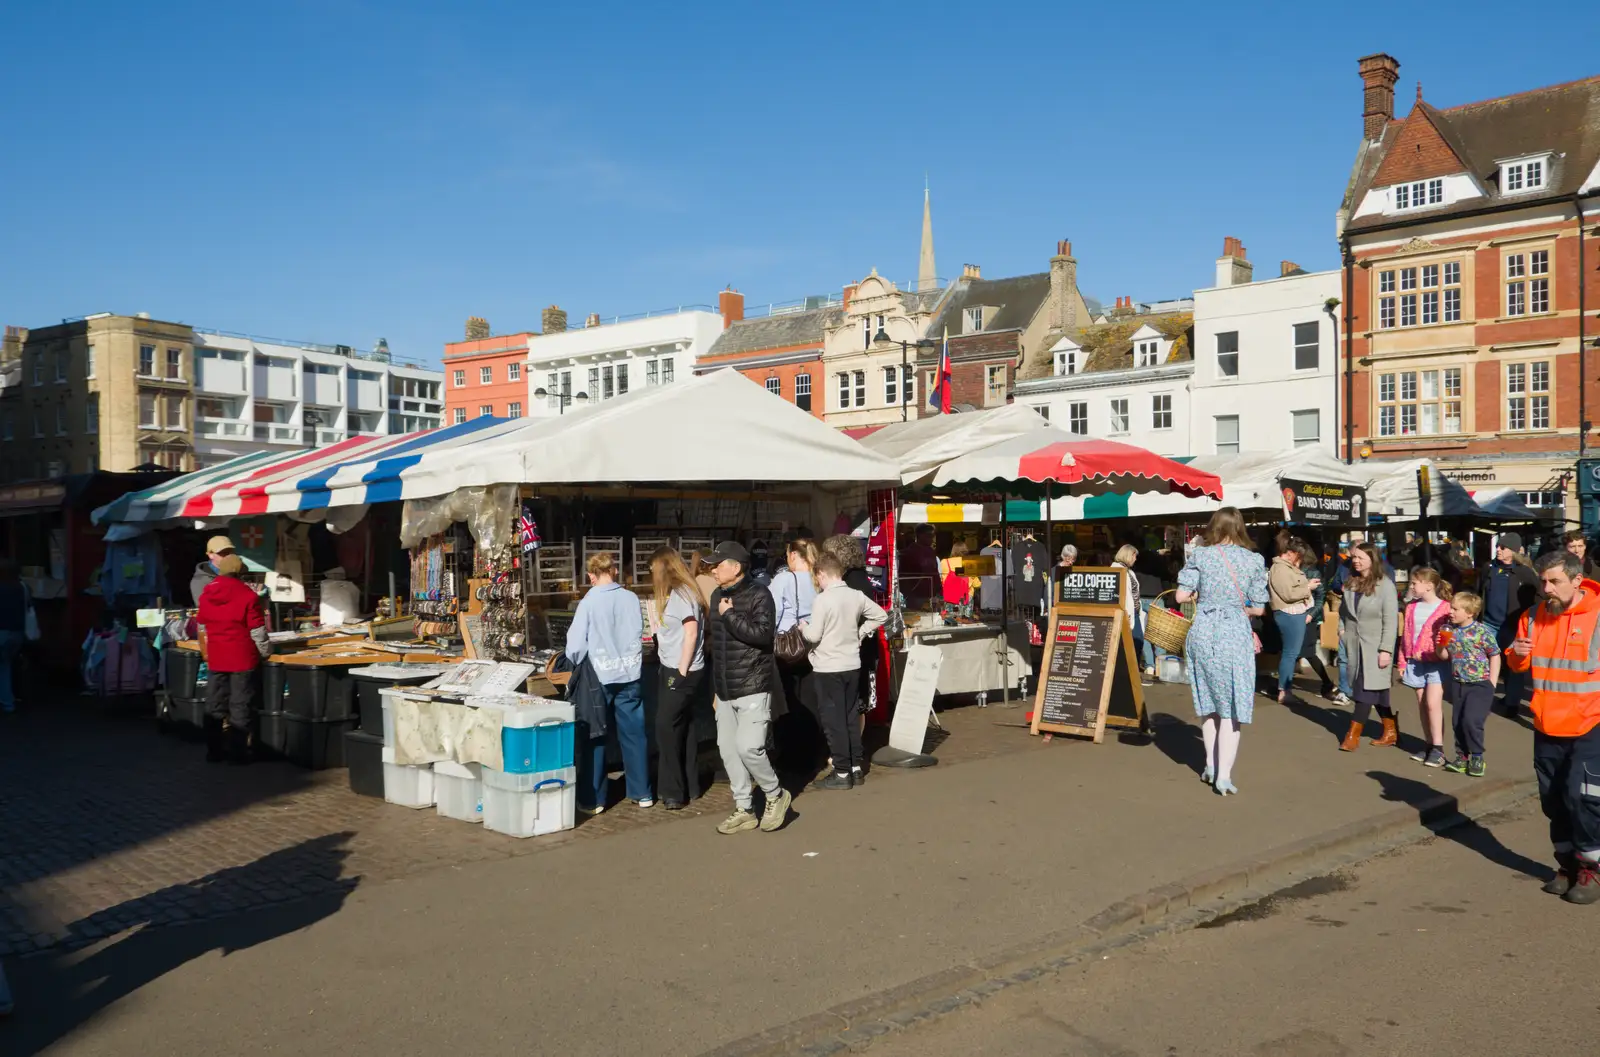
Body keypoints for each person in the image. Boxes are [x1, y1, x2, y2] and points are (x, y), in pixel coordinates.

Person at [1506, 550, 1600, 904]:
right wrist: (1516, 652)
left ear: (1577, 580)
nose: (1546, 588)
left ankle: (1591, 868)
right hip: (1546, 724)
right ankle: (1566, 865)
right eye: (1543, 580)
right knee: (1554, 800)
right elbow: (1517, 665)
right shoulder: (1532, 617)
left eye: (1555, 581)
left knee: (1583, 798)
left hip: (1590, 724)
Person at [1175, 508, 1268, 796]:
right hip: (1234, 635)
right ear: (1240, 528)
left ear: (1214, 527)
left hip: (1203, 632)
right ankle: (1224, 777)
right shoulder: (1253, 560)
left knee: (1209, 704)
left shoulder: (1201, 555)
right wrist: (1239, 607)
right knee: (1232, 707)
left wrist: (1199, 595)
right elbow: (1259, 608)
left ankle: (1210, 766)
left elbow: (1180, 596)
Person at [705, 541, 792, 835]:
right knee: (728, 750)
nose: (713, 570)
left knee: (749, 748)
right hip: (725, 690)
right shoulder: (717, 595)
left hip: (754, 683)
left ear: (736, 567)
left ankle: (775, 794)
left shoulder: (760, 594)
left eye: (718, 565)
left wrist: (730, 616)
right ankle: (744, 808)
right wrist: (716, 689)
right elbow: (718, 647)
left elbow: (763, 635)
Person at [565, 552, 649, 813]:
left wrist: (575, 660)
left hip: (599, 675)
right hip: (630, 673)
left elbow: (575, 647)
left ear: (591, 575)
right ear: (613, 571)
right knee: (634, 735)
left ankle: (594, 799)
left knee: (596, 735)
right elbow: (639, 631)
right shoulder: (631, 598)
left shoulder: (588, 602)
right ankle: (642, 792)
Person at [800, 553, 888, 790]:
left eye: (817, 578)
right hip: (851, 664)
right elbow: (881, 615)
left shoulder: (823, 599)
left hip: (828, 667)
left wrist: (803, 628)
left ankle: (841, 772)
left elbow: (813, 636)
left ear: (821, 574)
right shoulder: (856, 595)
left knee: (833, 720)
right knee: (850, 716)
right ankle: (856, 767)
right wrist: (861, 632)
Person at [196, 554, 270, 763]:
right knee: (240, 706)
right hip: (242, 658)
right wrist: (265, 651)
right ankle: (238, 754)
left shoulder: (207, 593)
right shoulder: (247, 595)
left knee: (214, 705)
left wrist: (206, 651)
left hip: (217, 657)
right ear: (239, 573)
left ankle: (214, 751)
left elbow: (202, 626)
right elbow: (257, 630)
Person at [649, 547, 706, 811]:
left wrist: (682, 669)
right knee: (684, 725)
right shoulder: (682, 592)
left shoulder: (682, 594)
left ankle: (673, 791)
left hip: (681, 669)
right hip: (674, 666)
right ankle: (690, 785)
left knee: (666, 726)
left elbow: (691, 632)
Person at [1337, 542, 1400, 753]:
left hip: (1376, 647)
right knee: (1377, 691)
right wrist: (1342, 631)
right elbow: (1344, 612)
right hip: (1355, 644)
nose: (1355, 561)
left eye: (1360, 558)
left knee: (1364, 690)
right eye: (1354, 557)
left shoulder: (1386, 586)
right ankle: (1390, 731)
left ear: (1372, 560)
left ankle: (1352, 735)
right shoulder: (1351, 583)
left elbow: (1391, 621)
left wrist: (1386, 650)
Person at [771, 539, 823, 775]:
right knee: (811, 701)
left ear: (793, 555)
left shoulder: (784, 579)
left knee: (787, 702)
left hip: (787, 649)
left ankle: (791, 757)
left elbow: (772, 614)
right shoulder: (818, 578)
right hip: (813, 646)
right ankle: (813, 754)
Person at [1438, 590, 1498, 777]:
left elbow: (1495, 654)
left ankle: (1477, 757)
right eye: (1451, 608)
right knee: (1458, 722)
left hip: (1480, 684)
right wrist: (1440, 646)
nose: (1451, 612)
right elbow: (1444, 656)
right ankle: (1462, 757)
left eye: (1456, 609)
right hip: (1458, 683)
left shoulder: (1482, 631)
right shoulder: (1450, 631)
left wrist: (1492, 682)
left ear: (1470, 613)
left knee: (1472, 720)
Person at [1478, 532, 1540, 714]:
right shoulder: (1489, 568)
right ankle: (1481, 699)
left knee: (1513, 665)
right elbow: (1478, 591)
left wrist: (1529, 621)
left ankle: (1512, 703)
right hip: (1489, 624)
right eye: (1498, 546)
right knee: (1484, 663)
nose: (1498, 549)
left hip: (1513, 626)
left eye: (1503, 547)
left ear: (1513, 551)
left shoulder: (1524, 572)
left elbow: (1538, 596)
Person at [1397, 566, 1453, 766]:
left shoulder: (1446, 608)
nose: (1411, 586)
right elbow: (1406, 635)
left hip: (1437, 663)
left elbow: (1448, 637)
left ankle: (1438, 748)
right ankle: (1428, 744)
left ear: (1429, 586)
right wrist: (1402, 660)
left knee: (1432, 704)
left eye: (1415, 583)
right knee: (1422, 704)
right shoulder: (1412, 607)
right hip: (1415, 662)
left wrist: (1436, 652)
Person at [1267, 540, 1319, 703]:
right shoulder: (1280, 569)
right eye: (1299, 556)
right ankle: (1284, 691)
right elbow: (1288, 594)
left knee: (1291, 653)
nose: (1300, 560)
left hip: (1293, 613)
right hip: (1290, 613)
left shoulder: (1285, 568)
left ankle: (1285, 690)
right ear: (1291, 553)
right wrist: (1308, 588)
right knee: (1290, 653)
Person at [1111, 545, 1146, 683]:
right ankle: (1130, 677)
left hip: (1134, 614)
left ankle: (1131, 676)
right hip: (1127, 615)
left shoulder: (1129, 571)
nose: (1135, 559)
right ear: (1128, 555)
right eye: (1134, 556)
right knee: (1134, 644)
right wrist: (1128, 616)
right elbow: (1124, 597)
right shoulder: (1118, 570)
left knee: (1137, 643)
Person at [0, 560, 28, 713]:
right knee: (6, 666)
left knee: (4, 667)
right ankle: (8, 702)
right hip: (17, 634)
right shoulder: (23, 588)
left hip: (1, 632)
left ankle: (7, 702)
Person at [900, 525, 940, 609]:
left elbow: (935, 571)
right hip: (916, 595)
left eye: (932, 536)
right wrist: (908, 593)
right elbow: (903, 575)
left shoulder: (931, 551)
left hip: (932, 594)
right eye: (929, 536)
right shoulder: (909, 552)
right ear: (920, 535)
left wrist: (938, 590)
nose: (932, 539)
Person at [191, 535, 238, 607]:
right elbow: (205, 608)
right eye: (223, 553)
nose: (227, 556)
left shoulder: (238, 573)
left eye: (230, 552)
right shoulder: (201, 581)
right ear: (210, 555)